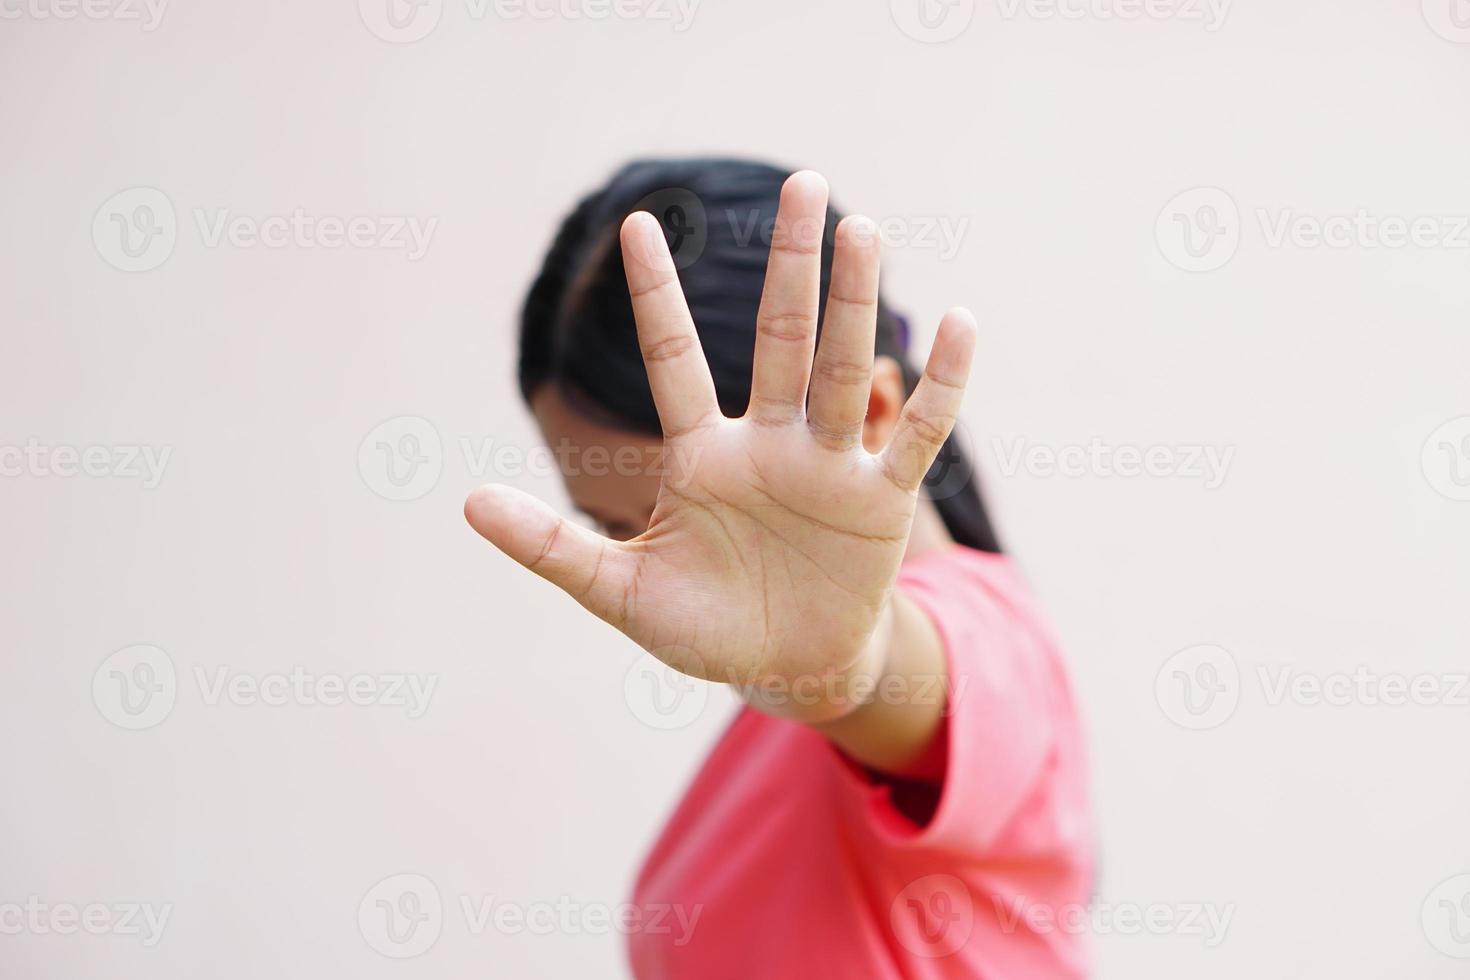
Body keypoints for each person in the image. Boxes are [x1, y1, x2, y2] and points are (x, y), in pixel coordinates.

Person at [465, 159, 1093, 978]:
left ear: (870, 412)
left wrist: (837, 673)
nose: (656, 566)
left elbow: (897, 683)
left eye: (670, 519)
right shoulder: (776, 702)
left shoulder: (982, 651)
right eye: (620, 529)